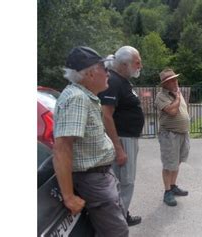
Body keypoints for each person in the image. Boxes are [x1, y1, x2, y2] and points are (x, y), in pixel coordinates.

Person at [53, 46, 129, 236]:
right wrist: (69, 197)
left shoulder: (84, 97)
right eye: (104, 68)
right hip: (93, 180)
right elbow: (62, 148)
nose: (108, 74)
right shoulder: (77, 99)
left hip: (99, 177)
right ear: (89, 73)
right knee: (117, 233)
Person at [97, 46, 143, 226]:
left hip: (128, 138)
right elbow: (106, 115)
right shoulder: (114, 81)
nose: (140, 65)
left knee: (124, 181)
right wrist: (118, 148)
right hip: (123, 139)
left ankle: (122, 213)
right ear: (124, 64)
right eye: (137, 62)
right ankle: (118, 221)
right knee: (126, 182)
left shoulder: (122, 80)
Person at [154, 68, 190, 207]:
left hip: (182, 134)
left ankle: (173, 185)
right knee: (169, 164)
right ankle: (167, 191)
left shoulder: (176, 94)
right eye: (171, 80)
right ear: (164, 84)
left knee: (178, 161)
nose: (175, 82)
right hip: (169, 135)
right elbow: (173, 111)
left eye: (175, 79)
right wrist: (178, 97)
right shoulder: (161, 96)